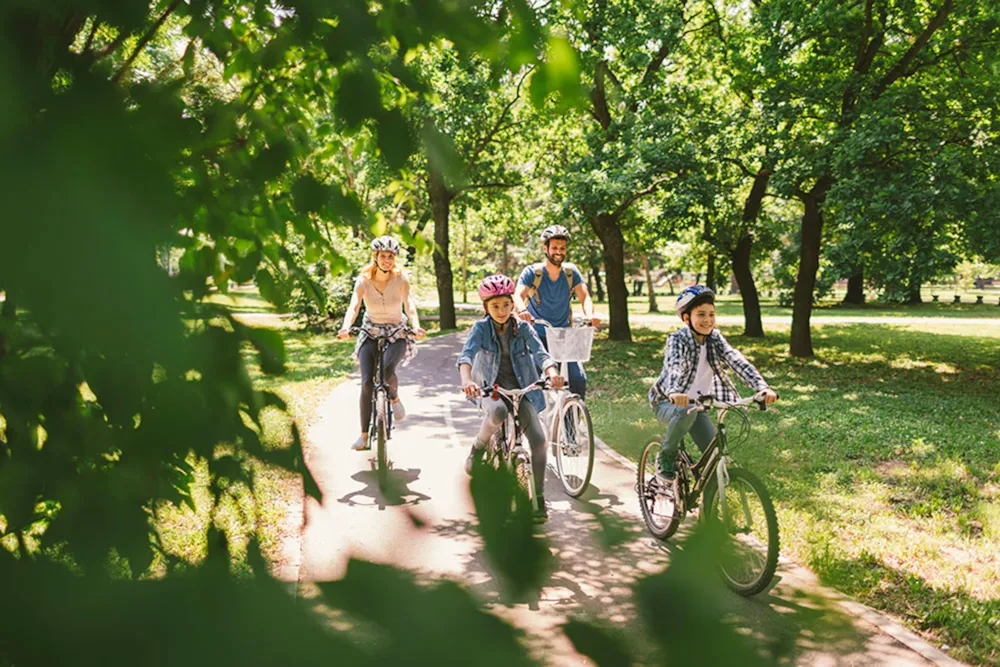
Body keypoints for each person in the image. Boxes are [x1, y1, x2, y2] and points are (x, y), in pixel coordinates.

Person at [457, 274, 565, 522]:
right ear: (486, 307)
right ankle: (478, 447)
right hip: (490, 389)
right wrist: (467, 381)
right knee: (497, 413)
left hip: (522, 389)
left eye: (506, 304)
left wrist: (552, 373)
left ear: (512, 304)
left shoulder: (523, 327)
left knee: (538, 440)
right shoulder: (480, 328)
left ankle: (537, 498)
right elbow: (466, 357)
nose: (502, 310)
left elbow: (541, 353)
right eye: (495, 306)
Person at [649, 285, 777, 482]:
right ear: (686, 318)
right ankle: (666, 455)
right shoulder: (677, 339)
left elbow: (736, 361)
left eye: (711, 314)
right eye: (701, 314)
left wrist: (761, 387)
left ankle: (707, 507)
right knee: (685, 411)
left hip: (698, 408)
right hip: (668, 403)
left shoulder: (714, 338)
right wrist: (674, 391)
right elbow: (673, 364)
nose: (707, 320)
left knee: (714, 460)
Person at [338, 236, 426, 451]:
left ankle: (394, 399)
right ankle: (364, 436)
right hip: (370, 330)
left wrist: (416, 325)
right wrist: (346, 326)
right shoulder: (364, 281)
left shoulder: (401, 279)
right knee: (367, 382)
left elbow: (409, 305)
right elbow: (354, 306)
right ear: (375, 257)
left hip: (396, 331)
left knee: (386, 371)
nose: (387, 260)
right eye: (383, 256)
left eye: (391, 257)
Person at [513, 225, 600, 400]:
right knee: (537, 383)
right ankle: (534, 422)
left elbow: (585, 297)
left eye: (562, 248)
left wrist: (590, 314)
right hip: (537, 336)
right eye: (554, 248)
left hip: (564, 336)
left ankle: (572, 421)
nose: (558, 252)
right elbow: (517, 295)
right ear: (545, 248)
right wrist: (522, 310)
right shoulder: (533, 272)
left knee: (577, 379)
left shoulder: (570, 272)